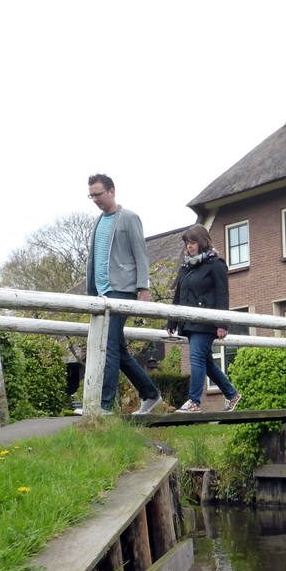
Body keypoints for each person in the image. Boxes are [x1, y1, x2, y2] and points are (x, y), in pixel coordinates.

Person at [82, 174, 162, 416]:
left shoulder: (128, 218)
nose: (95, 199)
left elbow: (141, 254)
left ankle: (104, 406)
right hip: (101, 292)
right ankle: (151, 394)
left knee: (108, 345)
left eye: (98, 194)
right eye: (91, 195)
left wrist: (144, 289)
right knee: (117, 346)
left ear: (112, 191)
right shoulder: (97, 221)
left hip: (122, 289)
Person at [166, 225, 241, 412]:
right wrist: (172, 321)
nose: (189, 247)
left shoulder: (215, 264)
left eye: (192, 243)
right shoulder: (186, 267)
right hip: (189, 322)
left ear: (202, 242)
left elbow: (222, 295)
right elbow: (178, 295)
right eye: (187, 243)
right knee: (205, 361)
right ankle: (232, 394)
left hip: (206, 322)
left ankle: (194, 401)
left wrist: (222, 323)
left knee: (197, 358)